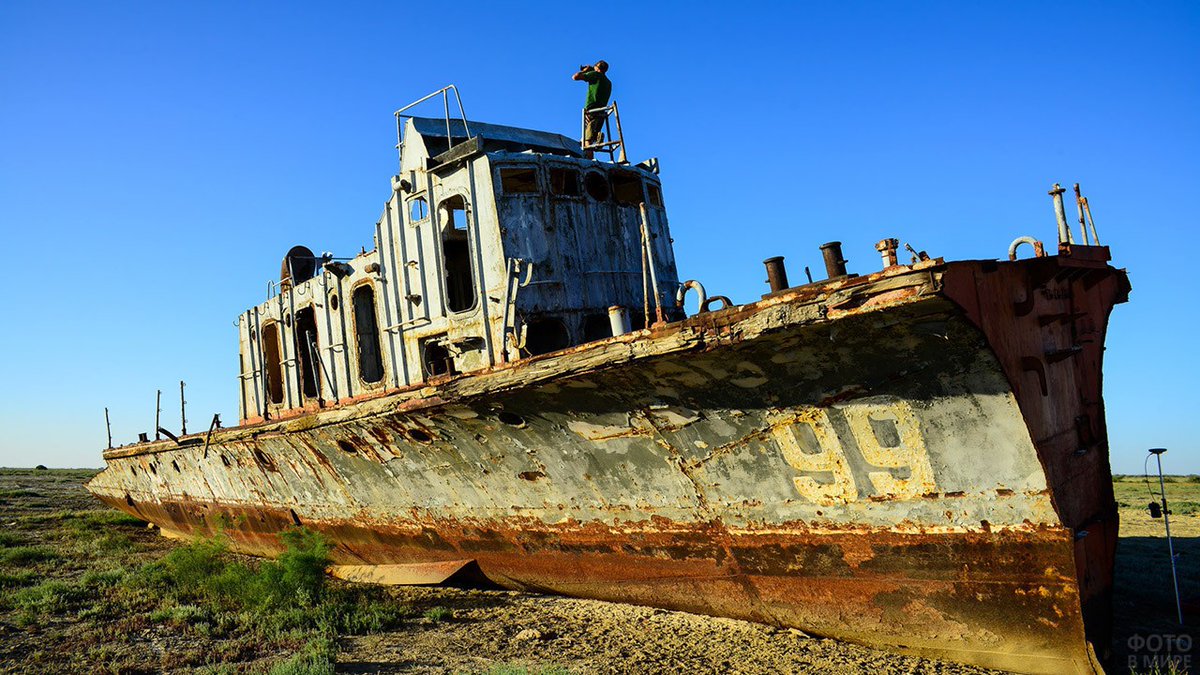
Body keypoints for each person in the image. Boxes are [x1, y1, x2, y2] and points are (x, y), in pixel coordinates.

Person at [573, 60, 611, 154]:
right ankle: (598, 137)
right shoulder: (608, 82)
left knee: (587, 140)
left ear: (597, 68)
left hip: (592, 110)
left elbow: (575, 77)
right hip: (602, 111)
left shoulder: (595, 75)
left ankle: (590, 161)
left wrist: (585, 71)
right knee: (590, 136)